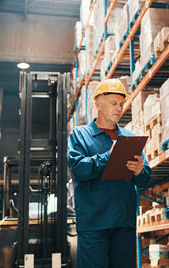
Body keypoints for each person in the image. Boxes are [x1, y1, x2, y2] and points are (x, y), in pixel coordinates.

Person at [68, 78, 152, 268]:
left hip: (123, 223)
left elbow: (145, 179)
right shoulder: (80, 135)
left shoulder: (129, 138)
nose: (118, 108)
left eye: (121, 104)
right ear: (98, 103)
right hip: (93, 224)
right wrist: (108, 156)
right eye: (113, 103)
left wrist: (140, 171)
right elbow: (78, 169)